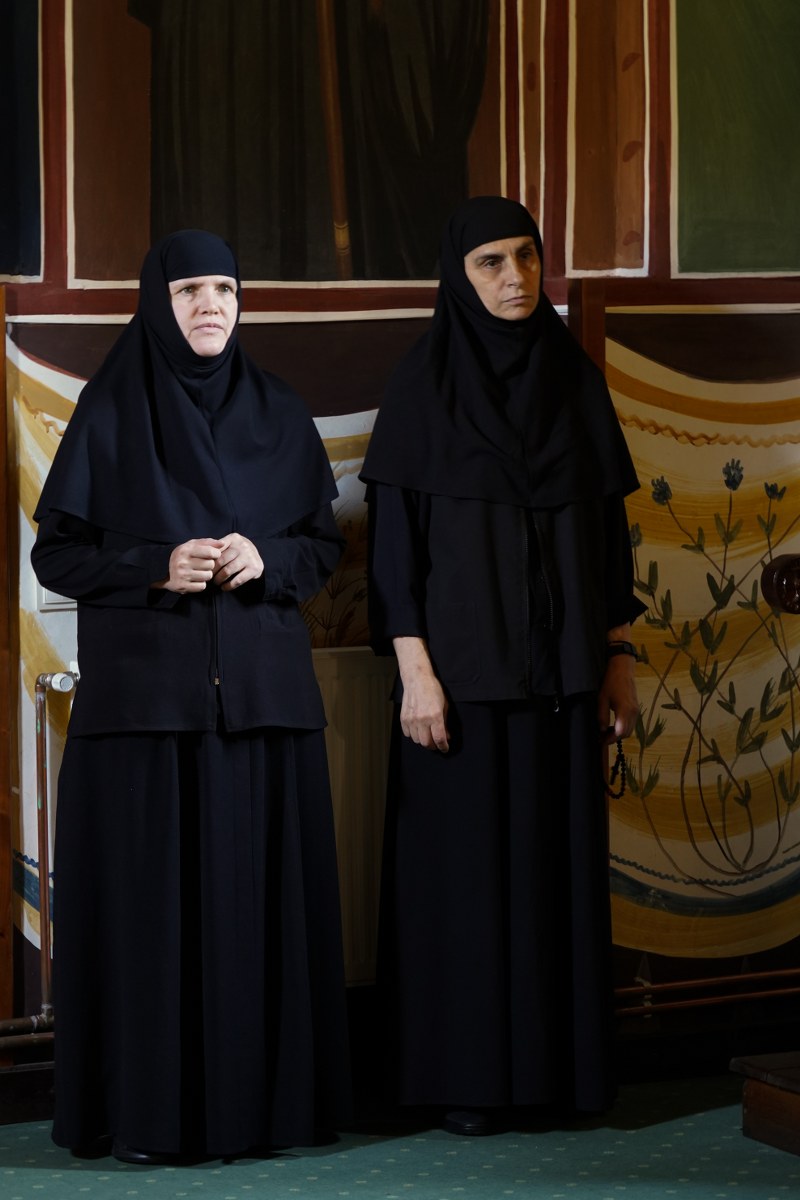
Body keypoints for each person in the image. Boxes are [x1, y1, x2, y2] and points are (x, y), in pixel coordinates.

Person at [31, 230, 351, 1163]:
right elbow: (58, 555)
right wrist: (155, 566)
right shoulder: (111, 409)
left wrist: (267, 557)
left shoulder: (279, 410)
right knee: (153, 926)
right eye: (189, 291)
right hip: (146, 716)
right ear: (156, 303)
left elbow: (322, 546)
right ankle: (150, 1117)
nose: (211, 305)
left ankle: (267, 1114)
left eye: (225, 289)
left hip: (262, 710)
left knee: (256, 922)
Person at [360, 196, 644, 1133]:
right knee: (464, 889)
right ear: (458, 274)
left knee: (554, 882)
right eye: (491, 262)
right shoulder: (420, 385)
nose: (516, 277)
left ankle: (560, 1078)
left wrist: (617, 658)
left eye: (526, 256)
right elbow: (393, 556)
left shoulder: (575, 380)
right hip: (457, 688)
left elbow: (610, 542)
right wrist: (416, 674)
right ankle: (468, 1086)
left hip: (564, 678)